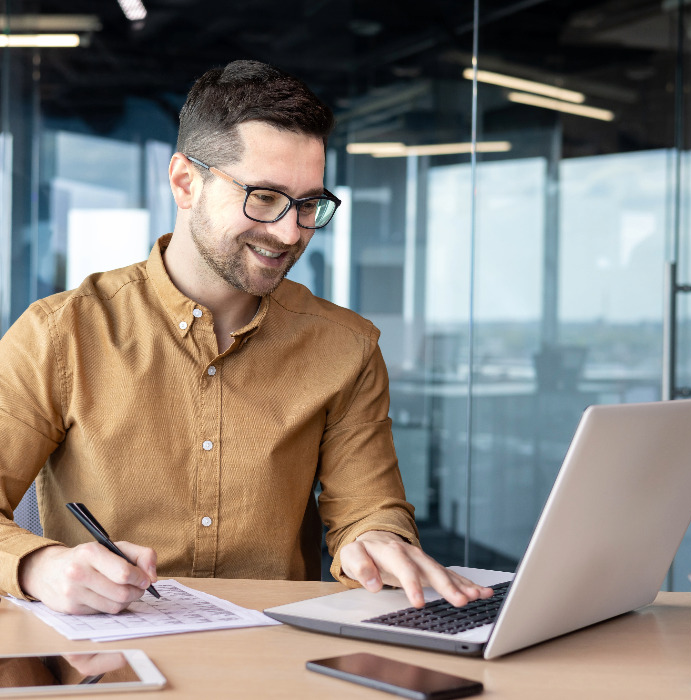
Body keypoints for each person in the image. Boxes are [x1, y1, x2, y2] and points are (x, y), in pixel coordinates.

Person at [0, 60, 492, 615]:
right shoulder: (59, 334)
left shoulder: (346, 346)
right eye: (264, 196)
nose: (290, 232)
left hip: (275, 659)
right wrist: (38, 565)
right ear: (186, 182)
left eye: (309, 204)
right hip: (109, 658)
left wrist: (375, 537)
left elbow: (368, 507)